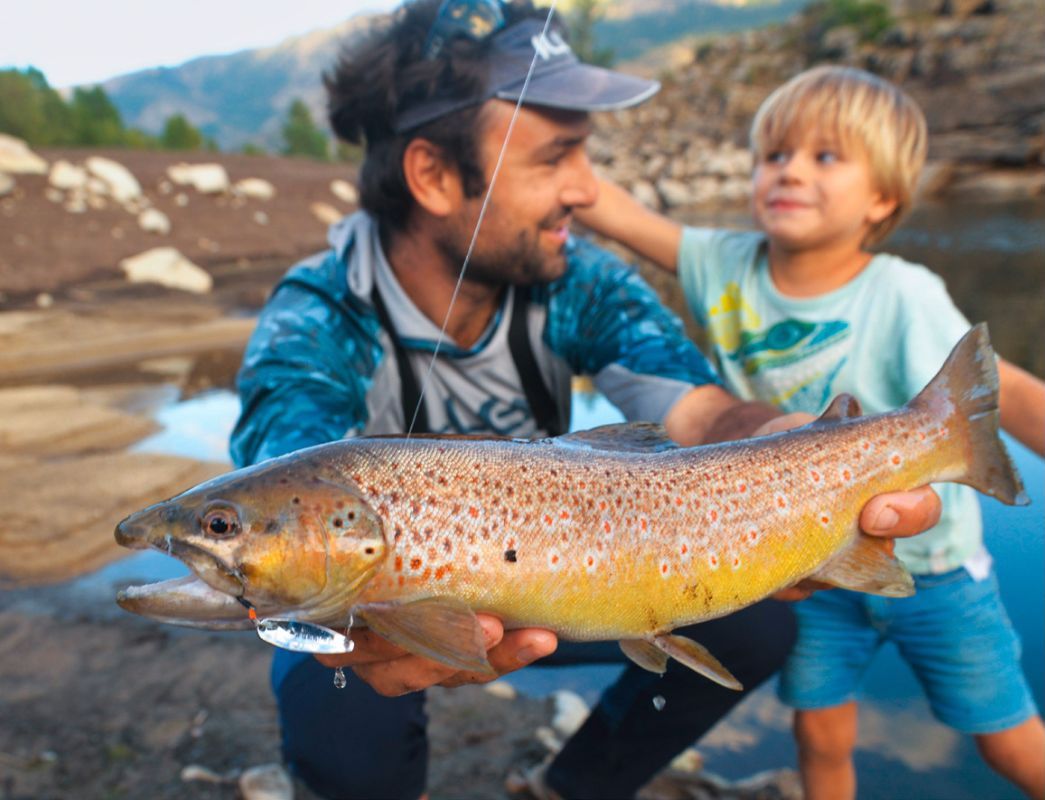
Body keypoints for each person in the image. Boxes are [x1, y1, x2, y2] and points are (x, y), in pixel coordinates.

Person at [230, 3, 942, 796]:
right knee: (338, 715)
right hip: (368, 610)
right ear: (431, 174)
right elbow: (278, 496)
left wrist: (780, 443)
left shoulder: (576, 277)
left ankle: (571, 788)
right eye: (554, 157)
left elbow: (700, 411)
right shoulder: (316, 317)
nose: (585, 189)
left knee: (759, 623)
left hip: (555, 583)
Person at [576, 64, 1045, 800]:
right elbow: (619, 214)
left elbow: (999, 389)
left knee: (1006, 737)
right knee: (819, 736)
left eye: (824, 157)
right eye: (773, 154)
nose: (788, 171)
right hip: (802, 568)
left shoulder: (903, 292)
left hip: (939, 572)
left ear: (883, 198)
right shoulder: (722, 263)